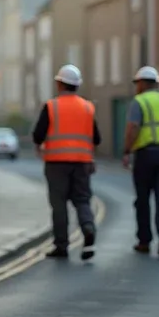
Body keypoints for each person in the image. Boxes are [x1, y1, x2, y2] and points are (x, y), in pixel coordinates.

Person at [32, 64, 99, 260]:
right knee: (82, 200)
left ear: (59, 84)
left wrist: (39, 146)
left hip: (56, 163)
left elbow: (38, 134)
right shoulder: (87, 107)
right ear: (77, 85)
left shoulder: (52, 106)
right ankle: (88, 227)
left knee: (59, 205)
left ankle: (61, 245)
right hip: (82, 163)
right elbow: (96, 138)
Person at [121, 66, 159, 257]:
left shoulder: (139, 102)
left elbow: (132, 128)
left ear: (142, 84)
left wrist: (126, 150)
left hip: (145, 155)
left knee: (142, 199)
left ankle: (144, 241)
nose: (136, 87)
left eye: (137, 83)